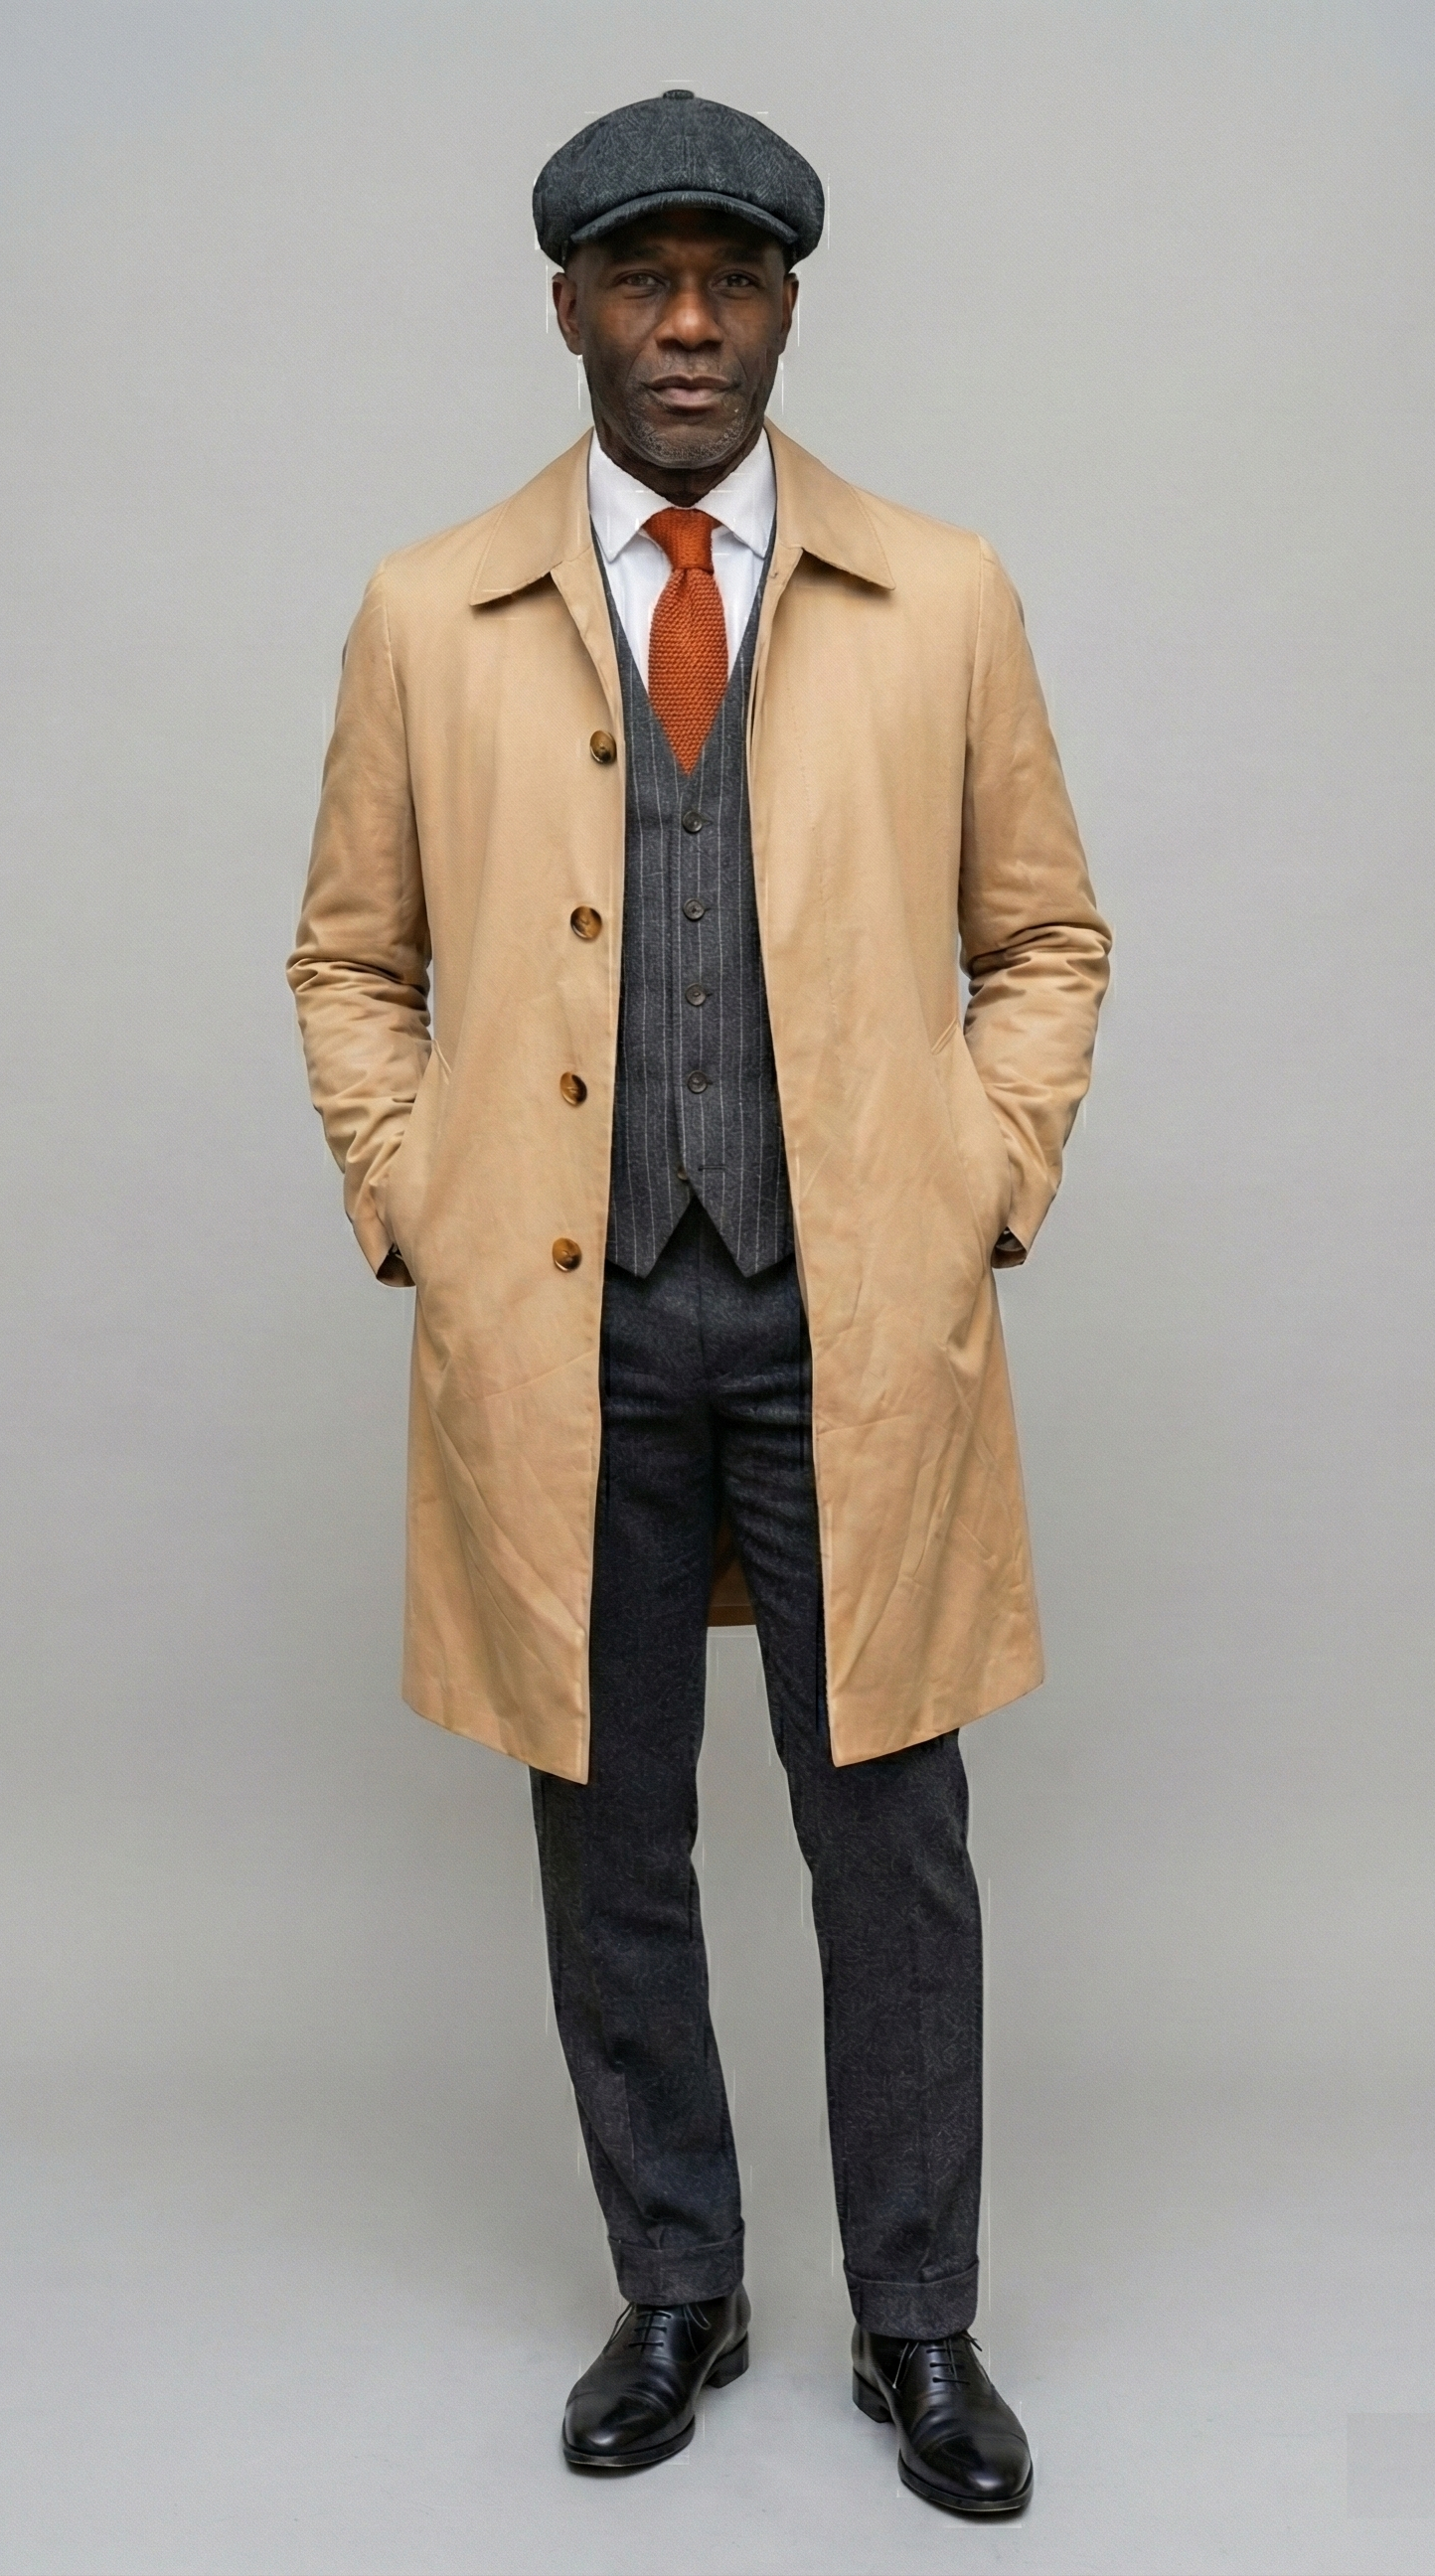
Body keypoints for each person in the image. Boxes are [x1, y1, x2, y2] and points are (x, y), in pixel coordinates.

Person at [288, 88, 1109, 2518]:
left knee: (891, 1836)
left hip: (850, 1317)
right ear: (563, 306)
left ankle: (919, 2323)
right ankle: (677, 2286)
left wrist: (975, 1182)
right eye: (638, 281)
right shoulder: (426, 611)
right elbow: (349, 961)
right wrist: (420, 1208)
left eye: (726, 283)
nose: (682, 324)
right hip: (566, 1333)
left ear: (782, 313)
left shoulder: (936, 595)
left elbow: (1042, 938)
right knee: (607, 1825)